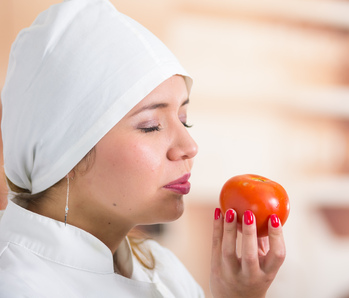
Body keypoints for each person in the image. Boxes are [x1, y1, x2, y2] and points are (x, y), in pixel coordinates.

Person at [0, 0, 286, 297]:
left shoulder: (163, 268)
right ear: (64, 152)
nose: (189, 147)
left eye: (184, 120)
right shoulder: (15, 285)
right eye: (151, 125)